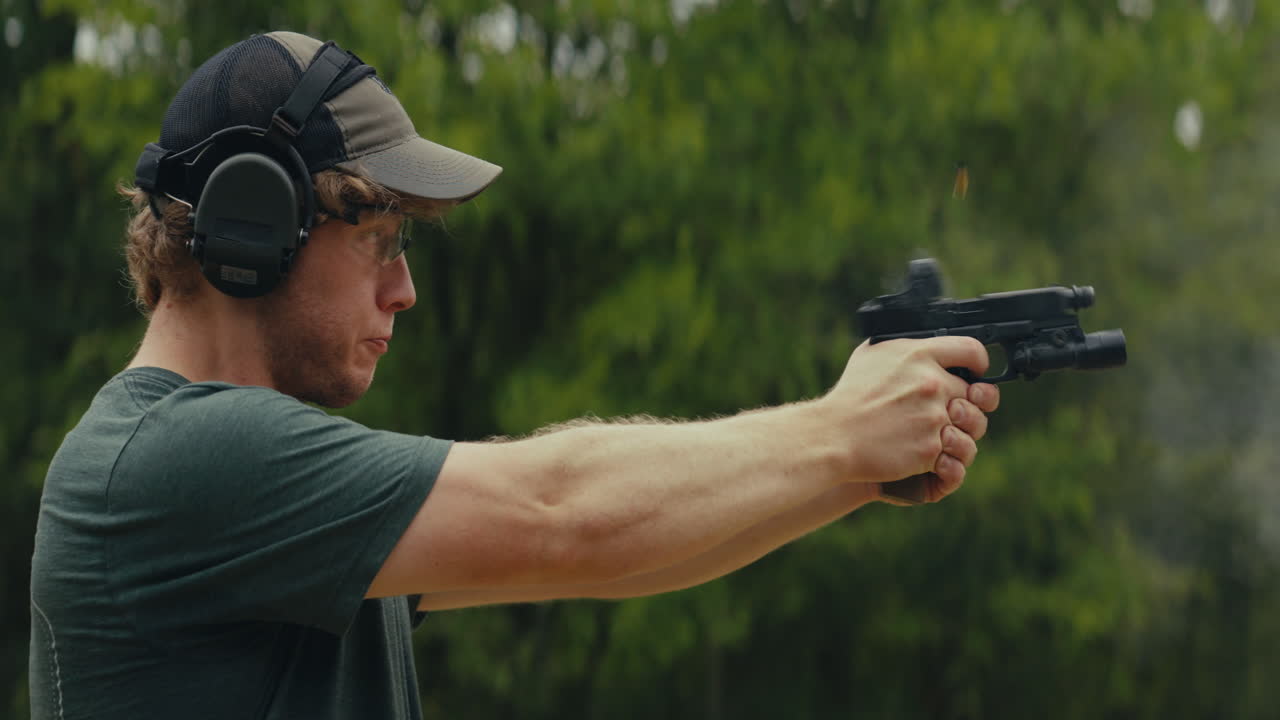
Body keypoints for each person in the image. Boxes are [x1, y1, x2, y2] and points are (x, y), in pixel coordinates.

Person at [28, 31, 999, 720]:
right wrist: (833, 431)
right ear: (254, 227)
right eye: (377, 240)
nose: (403, 291)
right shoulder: (173, 461)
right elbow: (561, 514)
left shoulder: (217, 487)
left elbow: (624, 560)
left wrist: (855, 472)